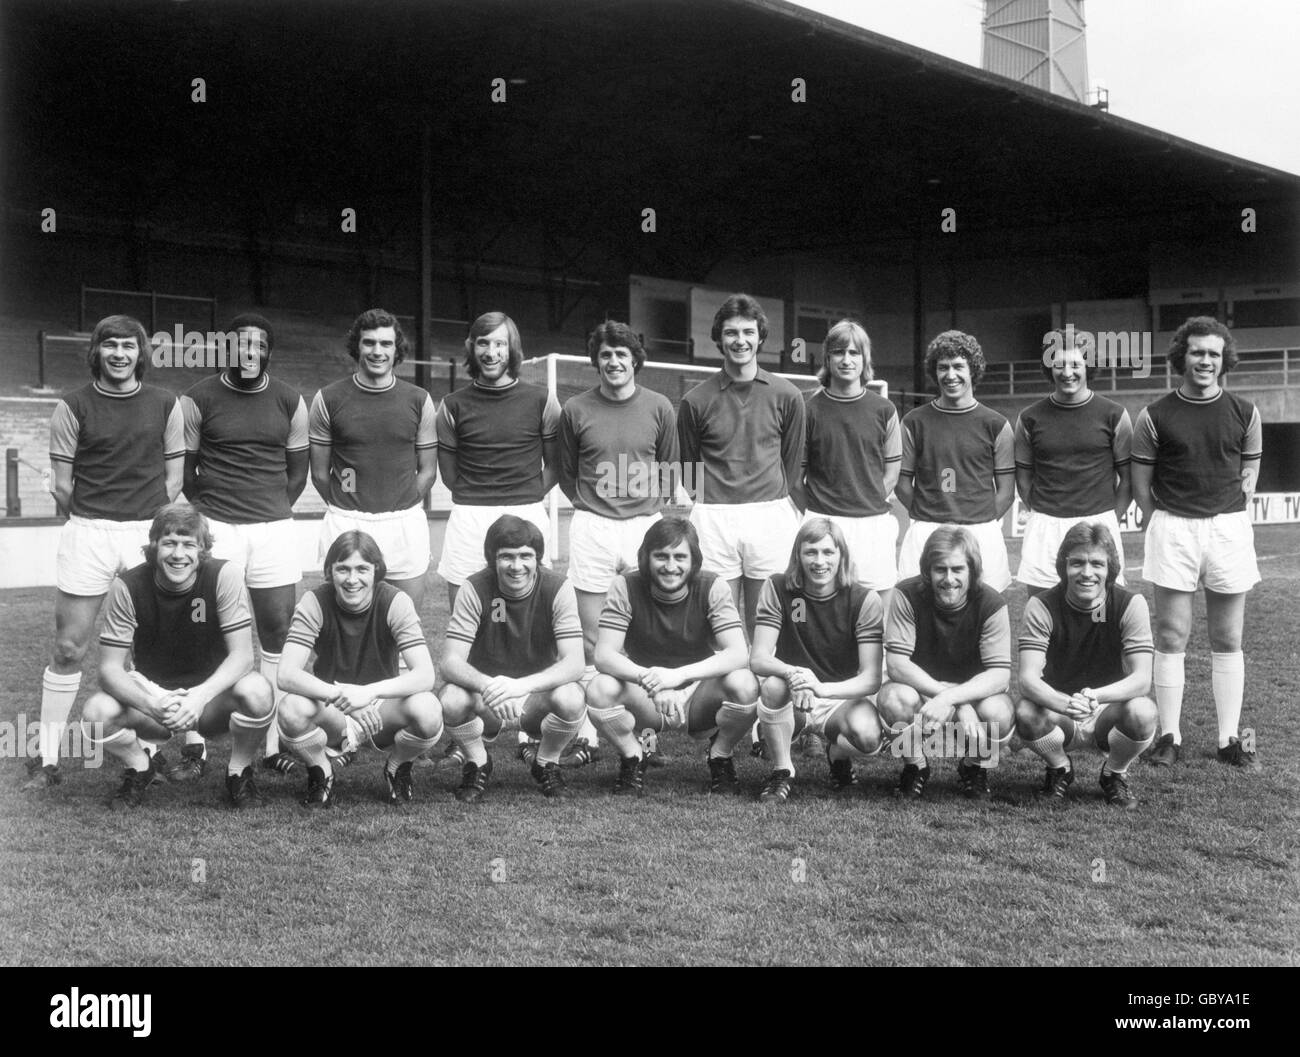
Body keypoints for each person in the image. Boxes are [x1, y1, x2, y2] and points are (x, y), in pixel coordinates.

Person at [26, 315, 185, 791]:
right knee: (69, 647)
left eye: (129, 346)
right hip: (89, 531)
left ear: (142, 353)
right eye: (110, 345)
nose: (120, 353)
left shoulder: (166, 403)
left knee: (149, 650)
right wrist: (100, 515)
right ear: (96, 351)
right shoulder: (72, 406)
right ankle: (47, 758)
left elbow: (174, 480)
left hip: (145, 534)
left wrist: (145, 524)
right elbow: (61, 486)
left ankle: (148, 751)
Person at [181, 313, 309, 780]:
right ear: (226, 350)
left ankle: (272, 742)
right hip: (219, 526)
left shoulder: (291, 400)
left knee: (276, 630)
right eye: (240, 345)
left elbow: (297, 474)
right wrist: (213, 511)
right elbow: (187, 470)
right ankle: (194, 737)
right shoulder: (197, 398)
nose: (249, 353)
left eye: (258, 345)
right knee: (208, 627)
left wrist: (270, 506)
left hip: (274, 526)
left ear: (268, 351)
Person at [1131, 316, 1262, 770]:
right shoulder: (1155, 415)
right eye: (1196, 352)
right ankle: (1169, 735)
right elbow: (1141, 486)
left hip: (1227, 526)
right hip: (1174, 527)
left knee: (1227, 636)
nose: (1205, 360)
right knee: (1171, 635)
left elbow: (1248, 475)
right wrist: (1165, 521)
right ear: (1180, 358)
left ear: (1224, 358)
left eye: (1213, 352)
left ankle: (1230, 739)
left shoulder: (1245, 412)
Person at [80, 503, 274, 809]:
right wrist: (151, 704)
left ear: (202, 549)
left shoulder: (224, 574)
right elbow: (109, 670)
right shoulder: (127, 585)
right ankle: (139, 766)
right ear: (154, 545)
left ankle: (238, 771)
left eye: (188, 544)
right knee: (95, 713)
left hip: (210, 696)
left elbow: (243, 657)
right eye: (169, 543)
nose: (178, 554)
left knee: (258, 691)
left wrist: (199, 696)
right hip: (154, 694)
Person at [557, 320, 678, 764]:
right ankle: (588, 733)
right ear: (596, 361)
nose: (613, 362)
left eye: (621, 354)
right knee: (592, 637)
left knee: (642, 632)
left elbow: (670, 468)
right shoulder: (575, 409)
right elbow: (567, 472)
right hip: (592, 526)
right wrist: (595, 505)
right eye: (605, 355)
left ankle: (645, 734)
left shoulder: (661, 406)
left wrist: (644, 508)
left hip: (645, 526)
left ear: (635, 360)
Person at [586, 517, 758, 796]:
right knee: (600, 687)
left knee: (744, 683)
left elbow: (738, 653)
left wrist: (678, 676)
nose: (670, 566)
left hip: (698, 690)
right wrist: (652, 680)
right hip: (645, 690)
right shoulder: (625, 585)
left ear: (694, 560)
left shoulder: (713, 586)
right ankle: (635, 756)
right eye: (661, 556)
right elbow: (604, 655)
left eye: (680, 557)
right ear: (646, 557)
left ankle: (720, 755)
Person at [276, 530, 443, 807]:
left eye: (362, 569)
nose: (352, 579)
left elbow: (425, 674)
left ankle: (398, 766)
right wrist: (345, 699)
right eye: (343, 569)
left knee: (429, 709)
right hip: (333, 705)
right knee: (290, 709)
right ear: (330, 571)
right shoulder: (314, 601)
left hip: (382, 707)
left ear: (376, 571)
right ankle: (321, 770)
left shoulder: (395, 601)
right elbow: (286, 674)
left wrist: (367, 693)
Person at [677, 294, 806, 637]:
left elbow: (792, 462)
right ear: (719, 339)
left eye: (748, 332)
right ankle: (728, 689)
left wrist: (773, 496)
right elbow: (688, 468)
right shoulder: (694, 401)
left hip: (770, 515)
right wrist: (708, 501)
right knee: (721, 622)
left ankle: (768, 689)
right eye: (731, 332)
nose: (740, 340)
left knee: (767, 623)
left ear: (760, 337)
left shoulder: (788, 395)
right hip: (714, 517)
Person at [438, 516, 586, 801]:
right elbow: (450, 662)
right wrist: (490, 686)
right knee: (451, 698)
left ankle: (546, 763)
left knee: (572, 697)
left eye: (525, 556)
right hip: (488, 698)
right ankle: (477, 762)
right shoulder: (474, 587)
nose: (516, 566)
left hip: (535, 697)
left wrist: (522, 686)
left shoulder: (557, 587)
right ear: (492, 559)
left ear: (537, 558)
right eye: (506, 556)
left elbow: (575, 663)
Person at [1015, 522, 1157, 809]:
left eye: (1097, 564)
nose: (1087, 572)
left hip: (1107, 708)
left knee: (1144, 711)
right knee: (1025, 711)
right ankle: (1059, 769)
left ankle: (1114, 774)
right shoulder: (1041, 605)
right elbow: (1027, 680)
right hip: (1059, 709)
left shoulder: (1131, 604)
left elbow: (1142, 679)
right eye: (1077, 562)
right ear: (1063, 566)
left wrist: (1097, 696)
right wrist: (1066, 702)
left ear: (1110, 569)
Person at [308, 308, 437, 612]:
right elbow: (320, 473)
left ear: (397, 349)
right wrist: (348, 501)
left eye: (386, 343)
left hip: (404, 522)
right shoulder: (328, 398)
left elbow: (428, 471)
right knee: (343, 622)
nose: (377, 351)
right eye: (369, 343)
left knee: (404, 621)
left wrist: (400, 500)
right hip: (346, 521)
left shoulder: (419, 399)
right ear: (357, 346)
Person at [749, 518, 885, 802]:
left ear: (841, 556)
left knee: (869, 738)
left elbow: (871, 678)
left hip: (839, 697)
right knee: (773, 686)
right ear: (798, 555)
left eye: (828, 552)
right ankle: (782, 770)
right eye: (810, 552)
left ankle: (837, 752)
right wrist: (794, 675)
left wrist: (821, 688)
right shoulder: (777, 587)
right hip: (792, 694)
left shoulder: (864, 599)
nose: (819, 561)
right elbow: (759, 658)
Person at [878, 527, 1014, 800]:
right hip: (921, 692)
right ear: (928, 571)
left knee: (998, 712)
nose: (948, 579)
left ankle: (974, 767)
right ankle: (915, 766)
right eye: (940, 569)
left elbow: (999, 675)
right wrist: (950, 700)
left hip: (972, 694)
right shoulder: (906, 594)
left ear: (972, 570)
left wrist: (955, 699)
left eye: (957, 569)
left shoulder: (992, 603)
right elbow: (896, 666)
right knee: (894, 698)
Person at [434, 312, 559, 607]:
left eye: (499, 344)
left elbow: (555, 465)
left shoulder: (542, 400)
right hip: (469, 516)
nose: (491, 353)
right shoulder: (452, 405)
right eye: (483, 343)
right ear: (471, 348)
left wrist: (526, 493)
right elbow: (449, 473)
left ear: (512, 347)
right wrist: (475, 495)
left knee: (529, 612)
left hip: (526, 512)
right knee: (467, 611)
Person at [895, 331, 1015, 592]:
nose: (950, 375)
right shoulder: (913, 422)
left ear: (973, 370)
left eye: (958, 366)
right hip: (926, 530)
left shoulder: (997, 424)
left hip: (981, 531)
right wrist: (928, 512)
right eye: (943, 368)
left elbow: (1006, 491)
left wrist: (979, 518)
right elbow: (901, 483)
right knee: (920, 611)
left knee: (983, 613)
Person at [1014, 329, 1132, 593]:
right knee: (1043, 611)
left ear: (1088, 366)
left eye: (1075, 364)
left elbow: (1128, 477)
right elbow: (1023, 478)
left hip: (1098, 524)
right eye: (1059, 364)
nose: (1067, 372)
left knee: (1098, 614)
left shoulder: (1114, 415)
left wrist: (1110, 517)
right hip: (1045, 525)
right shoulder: (1030, 417)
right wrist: (1043, 510)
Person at [796, 320, 901, 609]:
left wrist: (863, 500)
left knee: (876, 611)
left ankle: (873, 658)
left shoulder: (885, 410)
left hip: (872, 523)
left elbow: (892, 473)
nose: (846, 359)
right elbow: (795, 479)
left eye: (854, 353)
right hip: (824, 522)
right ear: (827, 358)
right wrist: (820, 511)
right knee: (820, 609)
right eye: (839, 352)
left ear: (865, 359)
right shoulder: (808, 410)